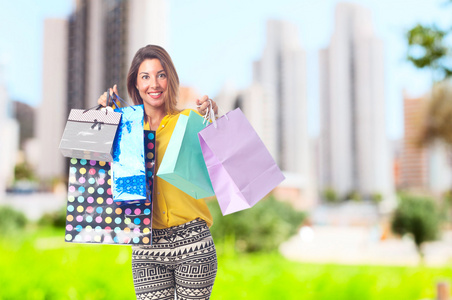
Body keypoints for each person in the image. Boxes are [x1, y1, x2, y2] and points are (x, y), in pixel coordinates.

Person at [98, 44, 218, 300]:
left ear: (170, 79)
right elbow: (96, 167)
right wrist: (102, 117)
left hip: (193, 242)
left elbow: (218, 161)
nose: (154, 83)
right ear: (136, 84)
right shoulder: (122, 127)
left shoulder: (189, 120)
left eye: (161, 75)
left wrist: (212, 117)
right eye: (146, 76)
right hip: (146, 245)